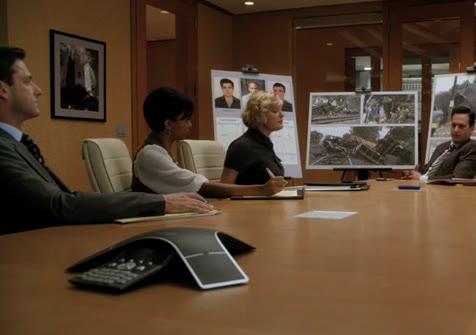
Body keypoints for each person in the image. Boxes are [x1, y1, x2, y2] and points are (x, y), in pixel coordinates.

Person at [0, 47, 213, 235]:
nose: (38, 90)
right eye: (27, 81)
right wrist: (161, 202)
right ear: (3, 90)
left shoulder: (18, 143)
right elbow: (58, 205)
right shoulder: (3, 147)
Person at [132, 87, 287, 197]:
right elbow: (202, 188)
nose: (190, 124)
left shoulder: (160, 152)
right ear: (168, 124)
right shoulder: (150, 155)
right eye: (186, 119)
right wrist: (261, 190)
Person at [221, 91, 285, 185]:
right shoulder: (241, 146)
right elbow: (225, 187)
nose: (282, 115)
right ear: (259, 115)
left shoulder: (265, 143)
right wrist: (260, 190)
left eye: (281, 110)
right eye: (275, 111)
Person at [406, 106, 476, 181]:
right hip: (424, 186)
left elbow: (457, 178)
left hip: (443, 189)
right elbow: (430, 169)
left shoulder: (471, 148)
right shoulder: (442, 147)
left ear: (471, 129)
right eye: (453, 125)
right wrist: (417, 171)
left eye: (461, 126)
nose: (456, 130)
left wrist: (422, 178)